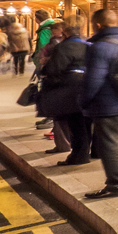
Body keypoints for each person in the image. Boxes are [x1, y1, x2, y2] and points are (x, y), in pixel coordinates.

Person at [81, 9, 118, 199]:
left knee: (109, 143)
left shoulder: (99, 47)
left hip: (107, 103)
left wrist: (83, 101)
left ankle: (115, 185)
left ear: (98, 25)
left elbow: (93, 80)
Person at [38, 15, 91, 167]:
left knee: (75, 124)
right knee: (86, 123)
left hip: (69, 91)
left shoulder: (62, 47)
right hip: (87, 88)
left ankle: (78, 155)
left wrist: (46, 68)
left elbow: (54, 70)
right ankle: (87, 152)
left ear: (65, 32)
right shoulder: (87, 44)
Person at [39, 20, 73, 154]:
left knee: (60, 117)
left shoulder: (59, 46)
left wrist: (45, 62)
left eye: (56, 30)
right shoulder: (76, 44)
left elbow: (55, 66)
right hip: (68, 85)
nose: (54, 33)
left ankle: (63, 145)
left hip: (59, 84)